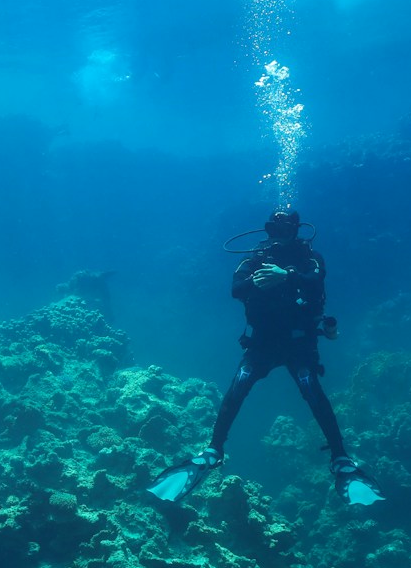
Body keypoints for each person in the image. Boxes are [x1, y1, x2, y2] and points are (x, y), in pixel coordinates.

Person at [147, 208, 381, 506]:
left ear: (297, 230)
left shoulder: (310, 257)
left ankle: (341, 458)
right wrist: (260, 280)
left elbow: (317, 279)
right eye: (273, 228)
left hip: (298, 342)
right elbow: (235, 290)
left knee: (312, 390)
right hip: (263, 343)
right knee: (239, 386)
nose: (279, 235)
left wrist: (287, 276)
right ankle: (213, 450)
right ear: (267, 229)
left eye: (285, 229)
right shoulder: (255, 258)